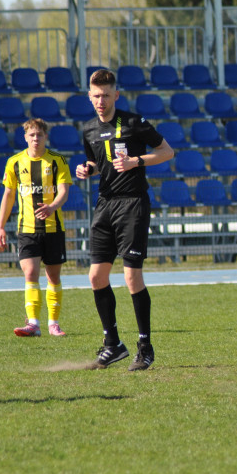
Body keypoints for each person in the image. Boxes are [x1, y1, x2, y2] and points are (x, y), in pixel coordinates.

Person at [75, 69, 175, 371]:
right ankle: (113, 344)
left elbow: (167, 152)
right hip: (105, 204)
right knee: (96, 276)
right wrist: (87, 169)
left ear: (116, 95)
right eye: (96, 96)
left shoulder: (134, 122)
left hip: (133, 203)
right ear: (89, 97)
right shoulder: (88, 129)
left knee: (132, 276)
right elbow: (97, 161)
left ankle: (145, 347)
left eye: (106, 95)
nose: (101, 101)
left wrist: (136, 161)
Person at [0, 117, 72, 338]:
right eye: (32, 135)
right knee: (30, 273)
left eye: (39, 134)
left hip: (53, 228)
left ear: (46, 136)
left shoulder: (57, 161)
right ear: (25, 137)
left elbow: (64, 191)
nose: (36, 138)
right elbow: (8, 195)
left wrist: (52, 207)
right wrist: (1, 226)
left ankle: (53, 323)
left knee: (53, 277)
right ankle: (33, 324)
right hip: (27, 229)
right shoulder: (15, 162)